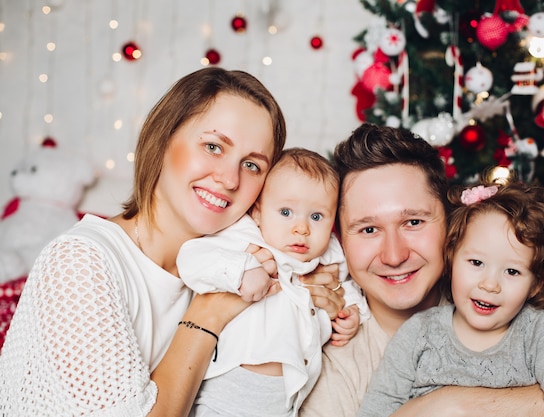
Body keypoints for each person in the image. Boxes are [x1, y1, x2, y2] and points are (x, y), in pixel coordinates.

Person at [0, 67, 346, 417]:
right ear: (163, 139)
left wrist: (311, 291)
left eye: (252, 166)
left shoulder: (237, 258)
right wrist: (210, 313)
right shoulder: (79, 262)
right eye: (213, 146)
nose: (228, 179)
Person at [299, 123, 544, 417]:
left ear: (449, 220)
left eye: (413, 222)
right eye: (368, 229)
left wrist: (448, 406)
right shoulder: (328, 349)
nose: (394, 255)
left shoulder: (495, 287)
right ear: (339, 240)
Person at [358, 180, 544, 417]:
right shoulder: (418, 333)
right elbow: (378, 408)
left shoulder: (539, 334)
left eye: (512, 271)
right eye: (476, 262)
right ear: (452, 258)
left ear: (536, 284)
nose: (489, 284)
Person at [176, 147, 369, 417]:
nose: (301, 228)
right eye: (286, 212)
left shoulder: (330, 254)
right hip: (226, 387)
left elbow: (349, 285)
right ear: (258, 212)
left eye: (316, 217)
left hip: (286, 395)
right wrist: (240, 271)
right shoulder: (243, 237)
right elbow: (191, 258)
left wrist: (354, 311)